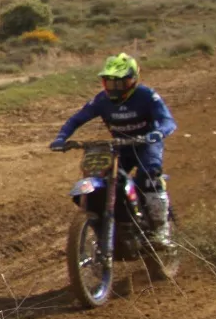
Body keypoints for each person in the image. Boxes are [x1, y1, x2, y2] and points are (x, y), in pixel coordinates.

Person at [49, 53, 177, 251]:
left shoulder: (146, 95)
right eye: (109, 82)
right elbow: (76, 119)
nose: (113, 88)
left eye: (119, 82)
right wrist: (61, 138)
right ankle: (113, 223)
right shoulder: (102, 100)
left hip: (146, 144)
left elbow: (168, 120)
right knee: (104, 177)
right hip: (120, 147)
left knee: (149, 175)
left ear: (133, 79)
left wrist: (158, 133)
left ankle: (161, 230)